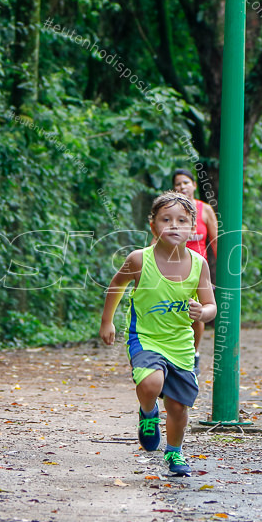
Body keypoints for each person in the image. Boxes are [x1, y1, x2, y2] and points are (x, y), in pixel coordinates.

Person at [99, 192, 217, 476]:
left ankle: (174, 453)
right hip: (146, 338)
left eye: (181, 220)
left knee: (178, 407)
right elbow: (116, 286)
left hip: (180, 344)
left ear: (192, 229)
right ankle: (148, 413)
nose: (174, 226)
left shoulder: (198, 264)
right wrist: (107, 322)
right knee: (152, 383)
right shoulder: (139, 260)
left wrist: (203, 312)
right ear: (153, 226)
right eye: (166, 220)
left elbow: (211, 305)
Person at [172, 168, 218, 359]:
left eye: (185, 182)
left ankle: (195, 354)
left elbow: (215, 241)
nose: (182, 187)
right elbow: (156, 239)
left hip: (198, 271)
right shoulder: (171, 211)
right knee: (172, 311)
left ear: (194, 185)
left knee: (197, 312)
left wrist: (227, 272)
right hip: (173, 269)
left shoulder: (204, 210)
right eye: (177, 184)